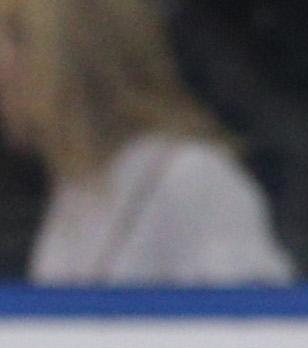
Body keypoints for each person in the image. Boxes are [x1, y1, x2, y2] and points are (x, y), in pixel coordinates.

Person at [0, 0, 288, 284]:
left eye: (19, 36)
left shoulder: (189, 178)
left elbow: (253, 322)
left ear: (80, 55)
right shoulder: (79, 183)